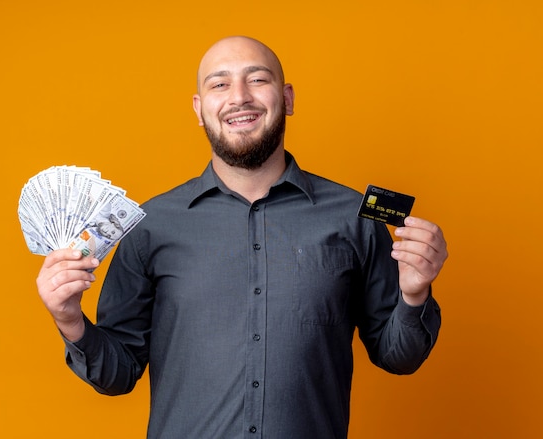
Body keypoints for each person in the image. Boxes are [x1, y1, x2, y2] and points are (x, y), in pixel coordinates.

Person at [37, 36, 448, 439]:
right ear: (200, 109)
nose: (239, 97)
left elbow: (399, 357)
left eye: (257, 79)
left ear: (286, 98)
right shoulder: (150, 225)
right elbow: (117, 374)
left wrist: (414, 296)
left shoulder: (354, 217)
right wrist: (70, 319)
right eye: (219, 84)